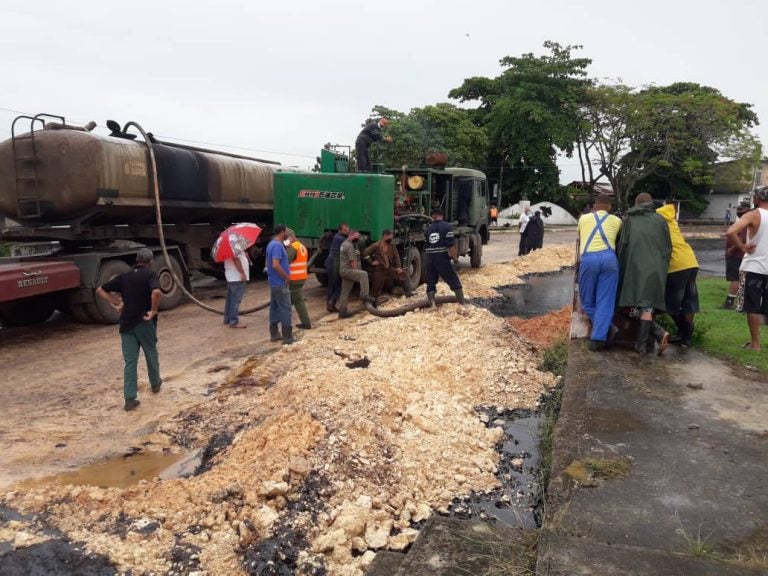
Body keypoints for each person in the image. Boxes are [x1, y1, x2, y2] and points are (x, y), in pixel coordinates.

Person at [96, 248, 162, 411]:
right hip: (144, 323)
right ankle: (155, 384)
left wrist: (116, 302)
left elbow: (99, 290)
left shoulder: (124, 277)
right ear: (150, 261)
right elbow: (156, 292)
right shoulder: (150, 275)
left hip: (126, 325)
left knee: (130, 362)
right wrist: (153, 310)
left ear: (137, 260)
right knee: (150, 353)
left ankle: (130, 399)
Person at [617, 193, 672, 354]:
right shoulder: (661, 220)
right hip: (656, 268)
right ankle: (643, 344)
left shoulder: (629, 220)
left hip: (634, 267)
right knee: (647, 306)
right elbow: (667, 247)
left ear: (636, 203)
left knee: (629, 303)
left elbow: (623, 245)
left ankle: (656, 335)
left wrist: (621, 265)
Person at [576, 195, 622, 351]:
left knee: (587, 301)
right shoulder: (617, 221)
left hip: (589, 259)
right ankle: (599, 337)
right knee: (605, 301)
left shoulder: (584, 219)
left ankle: (608, 329)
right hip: (610, 260)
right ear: (610, 207)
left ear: (595, 205)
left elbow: (580, 237)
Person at [726, 186, 768, 351]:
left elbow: (731, 231)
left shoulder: (753, 214)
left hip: (754, 267)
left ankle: (755, 344)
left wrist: (742, 247)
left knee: (752, 306)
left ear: (756, 199)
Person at [657, 203, 700, 346]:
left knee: (669, 302)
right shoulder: (670, 219)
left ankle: (683, 331)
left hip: (676, 265)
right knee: (689, 301)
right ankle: (686, 337)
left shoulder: (656, 220)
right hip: (691, 261)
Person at [425, 208, 466, 306]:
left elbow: (427, 244)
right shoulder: (447, 227)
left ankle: (433, 305)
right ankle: (462, 303)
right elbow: (450, 246)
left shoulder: (428, 229)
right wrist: (456, 260)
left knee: (431, 281)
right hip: (441, 257)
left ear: (433, 216)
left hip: (430, 258)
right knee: (452, 279)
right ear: (442, 215)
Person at [363, 229, 412, 299]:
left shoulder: (392, 246)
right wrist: (371, 262)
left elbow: (396, 256)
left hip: (388, 268)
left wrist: (398, 267)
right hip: (379, 269)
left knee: (403, 274)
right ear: (384, 236)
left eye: (391, 238)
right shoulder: (376, 245)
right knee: (376, 287)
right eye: (389, 237)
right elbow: (365, 253)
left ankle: (408, 293)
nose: (390, 239)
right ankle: (372, 302)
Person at [266, 224, 294, 345]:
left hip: (273, 282)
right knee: (285, 309)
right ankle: (287, 337)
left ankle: (274, 334)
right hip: (280, 282)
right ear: (282, 232)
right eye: (287, 231)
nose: (288, 233)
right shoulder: (277, 246)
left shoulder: (271, 244)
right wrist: (286, 276)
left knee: (275, 308)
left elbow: (268, 263)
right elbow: (275, 265)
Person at [338, 230, 376, 318]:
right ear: (351, 236)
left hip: (343, 270)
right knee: (364, 274)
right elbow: (353, 261)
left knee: (345, 292)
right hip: (348, 270)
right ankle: (364, 295)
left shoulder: (344, 244)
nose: (358, 239)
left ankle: (342, 312)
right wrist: (357, 272)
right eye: (357, 237)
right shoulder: (350, 246)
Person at [723, 201, 752, 309]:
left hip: (736, 255)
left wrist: (731, 249)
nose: (738, 211)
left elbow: (742, 239)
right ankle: (740, 301)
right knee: (740, 278)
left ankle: (730, 302)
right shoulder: (743, 222)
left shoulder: (745, 223)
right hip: (739, 254)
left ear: (748, 210)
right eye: (738, 209)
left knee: (735, 278)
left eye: (741, 209)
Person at [285, 228, 311, 329]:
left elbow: (286, 261)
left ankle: (306, 323)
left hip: (294, 278)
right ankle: (286, 319)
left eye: (286, 238)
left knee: (298, 301)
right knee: (292, 300)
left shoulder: (293, 248)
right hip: (302, 277)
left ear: (291, 237)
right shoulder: (301, 246)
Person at [222, 238, 250, 329]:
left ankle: (227, 318)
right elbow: (236, 260)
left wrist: (244, 254)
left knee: (230, 299)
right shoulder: (234, 247)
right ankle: (233, 321)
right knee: (235, 300)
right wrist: (242, 273)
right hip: (237, 277)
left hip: (231, 277)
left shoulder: (228, 248)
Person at [325, 223, 349, 312]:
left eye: (348, 230)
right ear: (340, 230)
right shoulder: (341, 238)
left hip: (331, 261)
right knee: (338, 284)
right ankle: (331, 302)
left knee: (332, 284)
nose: (347, 232)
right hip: (334, 262)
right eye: (345, 230)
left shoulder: (336, 237)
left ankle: (330, 304)